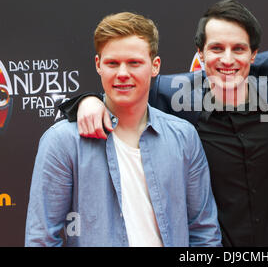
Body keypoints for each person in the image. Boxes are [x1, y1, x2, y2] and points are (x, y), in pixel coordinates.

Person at [59, 0, 268, 246]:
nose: (228, 59)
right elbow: (124, 89)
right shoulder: (171, 95)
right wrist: (87, 100)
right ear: (200, 55)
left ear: (254, 53)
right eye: (217, 48)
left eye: (238, 48)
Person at [25, 12, 221, 247]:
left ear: (154, 66)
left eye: (134, 63)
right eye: (112, 63)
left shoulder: (183, 137)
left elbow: (204, 233)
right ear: (98, 65)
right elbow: (42, 239)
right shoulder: (62, 141)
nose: (122, 74)